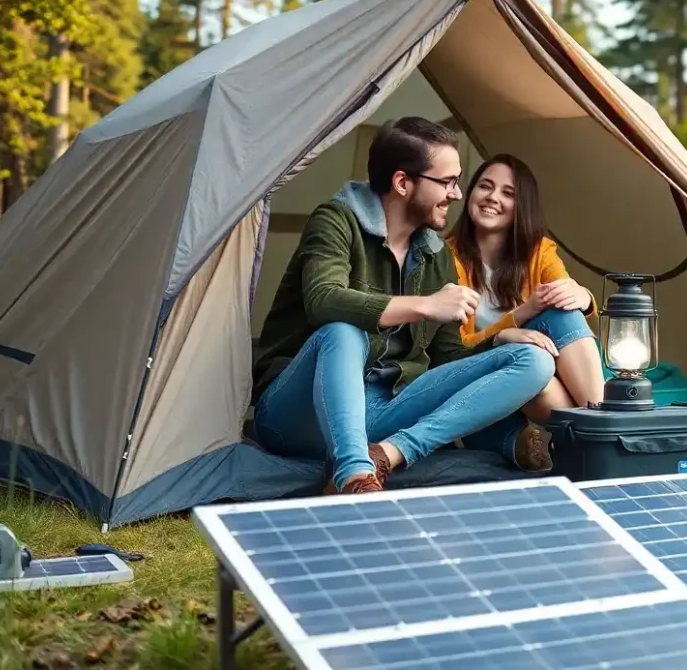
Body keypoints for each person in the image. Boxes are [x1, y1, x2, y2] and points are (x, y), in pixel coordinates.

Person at [251, 118, 561, 496]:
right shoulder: (336, 221)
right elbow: (323, 300)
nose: (457, 194)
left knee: (532, 360)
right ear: (403, 183)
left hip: (384, 410)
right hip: (297, 414)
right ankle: (351, 477)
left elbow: (446, 356)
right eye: (448, 182)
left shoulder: (434, 255)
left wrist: (498, 340)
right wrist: (425, 306)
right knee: (342, 329)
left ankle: (388, 454)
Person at [447, 153, 606, 429]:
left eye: (508, 193)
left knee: (558, 315)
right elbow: (453, 350)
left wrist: (582, 295)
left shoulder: (538, 251)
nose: (493, 197)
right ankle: (605, 430)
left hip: (535, 379)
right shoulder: (445, 259)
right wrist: (509, 329)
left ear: (521, 206)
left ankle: (598, 425)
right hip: (477, 372)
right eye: (485, 186)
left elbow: (562, 291)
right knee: (531, 366)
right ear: (470, 192)